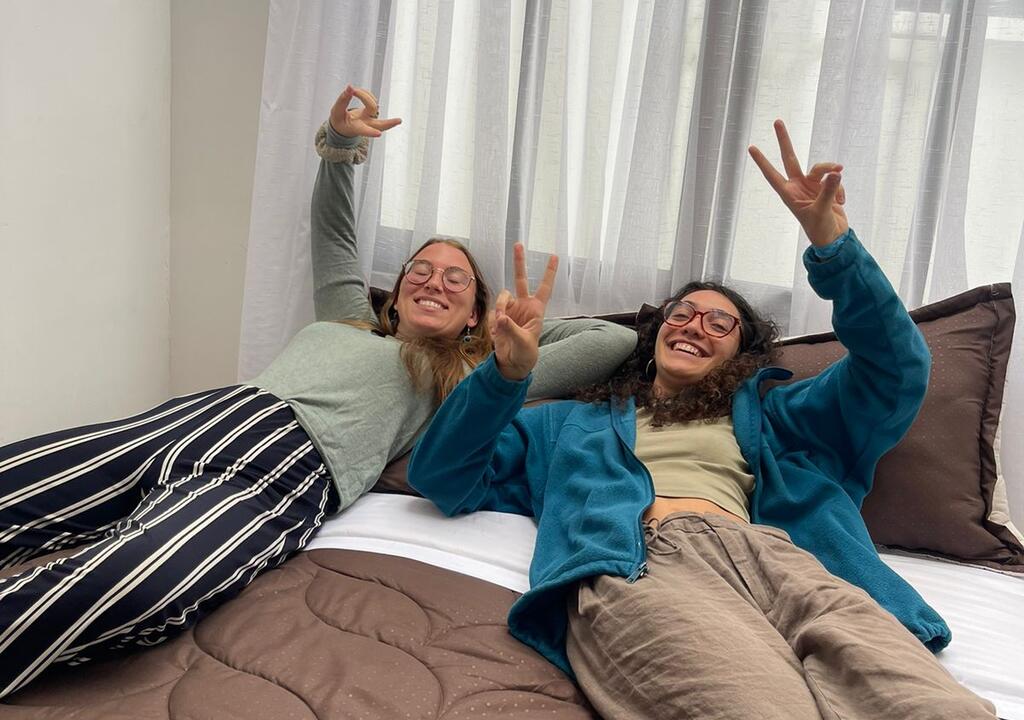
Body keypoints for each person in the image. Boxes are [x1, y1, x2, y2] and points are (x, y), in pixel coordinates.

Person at [0, 85, 637, 699]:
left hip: (285, 472)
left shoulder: (470, 376)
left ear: (475, 312)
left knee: (136, 584)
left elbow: (613, 340)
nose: (433, 282)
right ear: (398, 291)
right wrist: (338, 145)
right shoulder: (348, 317)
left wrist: (518, 343)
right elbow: (333, 234)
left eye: (456, 280)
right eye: (420, 269)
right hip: (203, 415)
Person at [407, 120, 998, 718]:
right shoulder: (566, 423)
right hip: (642, 562)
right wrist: (505, 375)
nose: (694, 325)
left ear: (741, 353)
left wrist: (835, 251)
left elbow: (895, 368)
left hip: (785, 564)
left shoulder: (781, 416)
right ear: (657, 333)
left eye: (719, 323)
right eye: (682, 313)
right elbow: (444, 478)